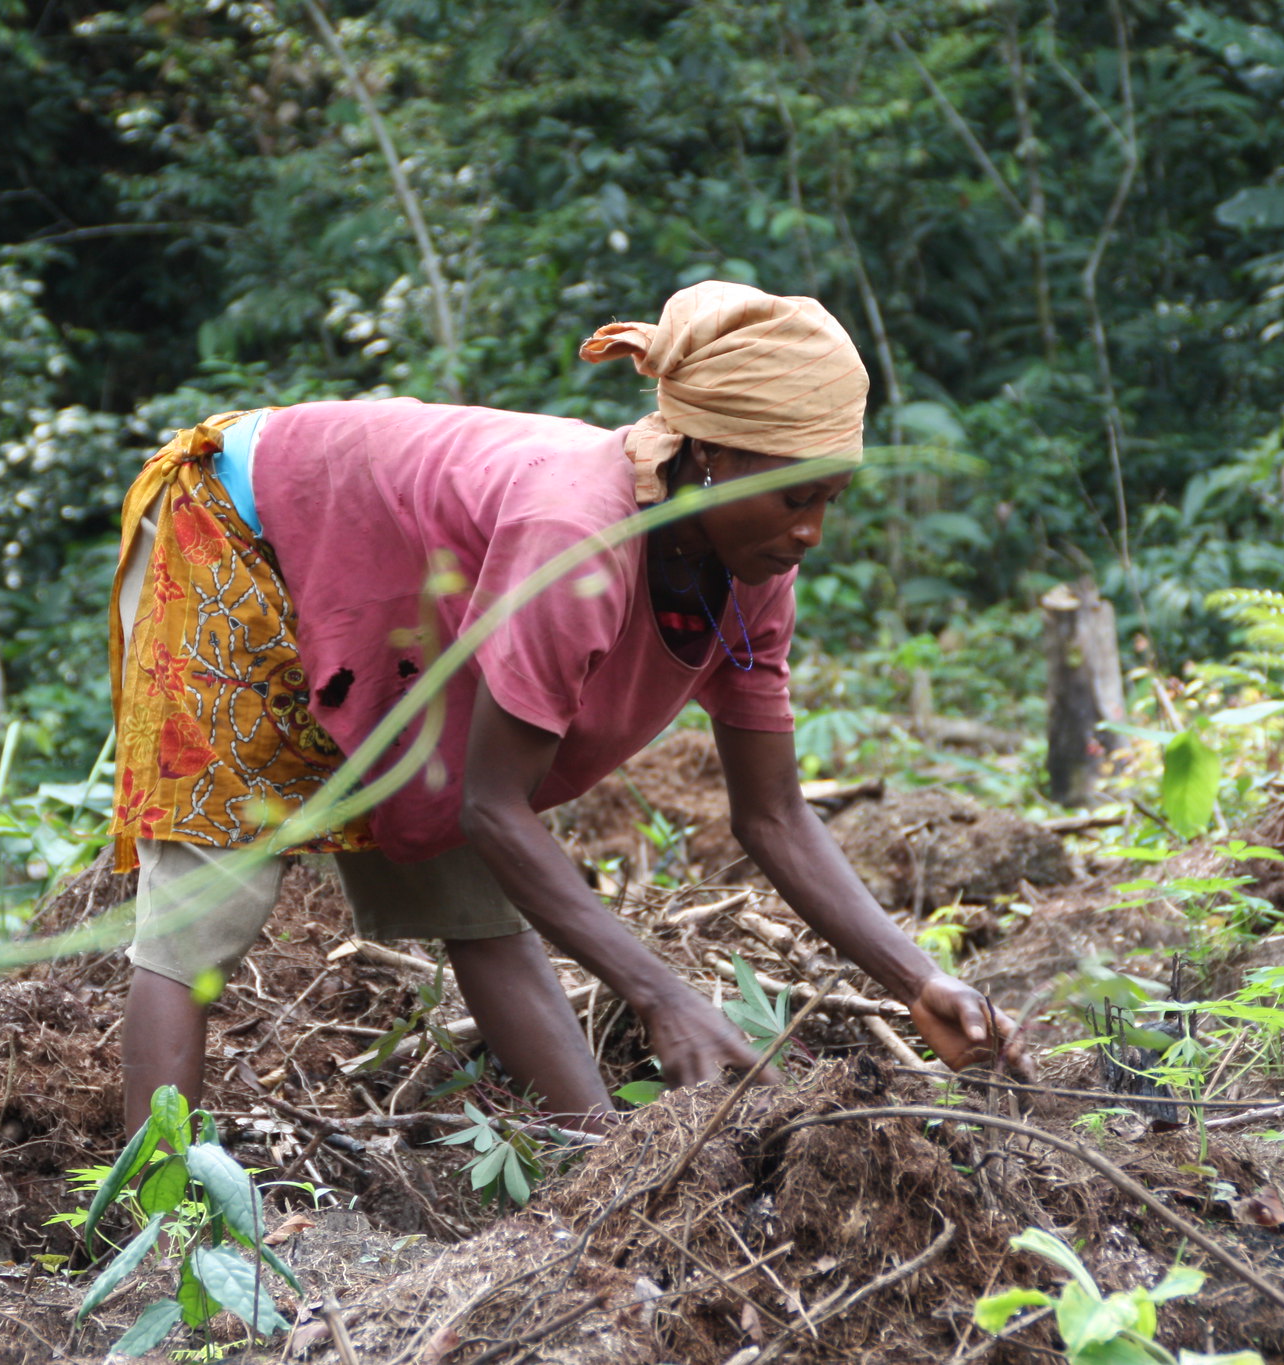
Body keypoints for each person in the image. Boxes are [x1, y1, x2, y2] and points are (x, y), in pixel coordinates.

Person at [110, 281, 1028, 1133]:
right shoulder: (578, 539)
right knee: (209, 900)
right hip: (246, 529)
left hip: (405, 590)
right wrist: (661, 994)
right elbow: (494, 804)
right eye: (795, 498)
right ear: (710, 453)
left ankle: (599, 1174)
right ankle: (156, 1220)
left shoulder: (755, 572)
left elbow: (776, 813)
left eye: (831, 499)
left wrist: (919, 979)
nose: (811, 533)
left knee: (472, 888)